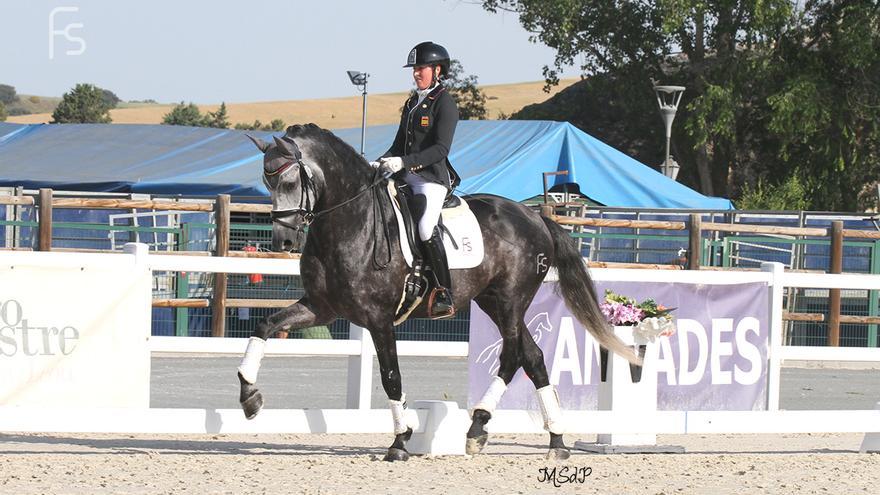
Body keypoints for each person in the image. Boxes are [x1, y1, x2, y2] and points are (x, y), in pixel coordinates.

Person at [373, 41, 461, 319]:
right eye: (414, 69)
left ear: (437, 70)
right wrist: (381, 161)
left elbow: (440, 150)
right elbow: (399, 144)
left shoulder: (445, 103)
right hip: (404, 176)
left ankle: (444, 293)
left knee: (424, 228)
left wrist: (406, 162)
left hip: (431, 179)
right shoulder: (412, 102)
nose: (416, 73)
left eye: (421, 68)